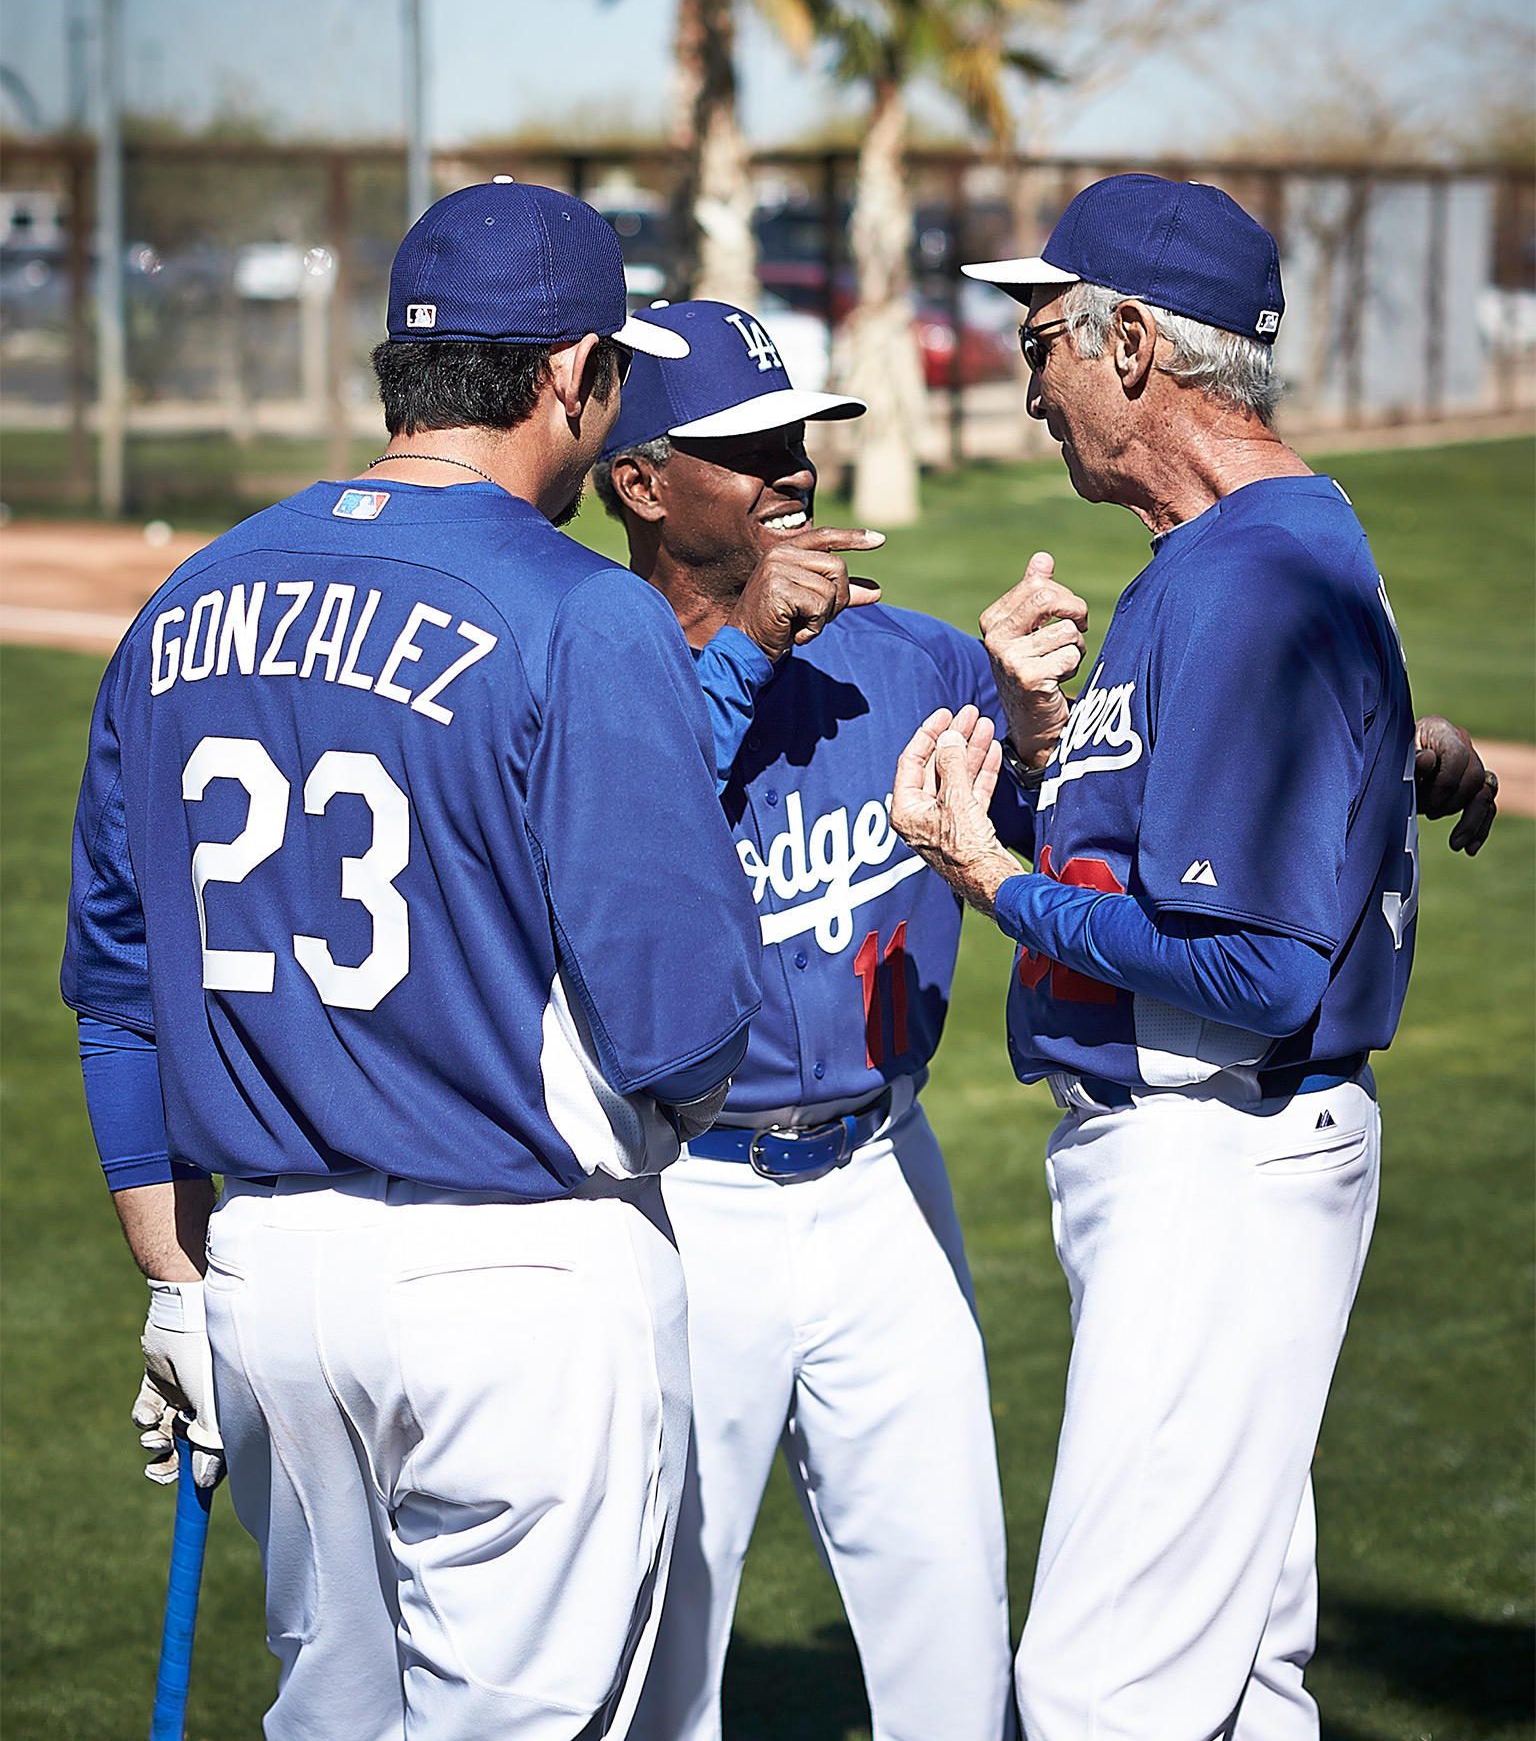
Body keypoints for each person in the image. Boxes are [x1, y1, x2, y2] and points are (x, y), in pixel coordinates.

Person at [61, 181, 763, 1741]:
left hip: (263, 1279)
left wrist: (173, 1282)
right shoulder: (586, 613)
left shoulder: (187, 598)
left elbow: (117, 988)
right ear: (574, 374)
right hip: (520, 1273)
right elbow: (687, 1027)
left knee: (332, 1721)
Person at [890, 172, 1498, 1738]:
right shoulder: (1242, 551)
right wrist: (1031, 753)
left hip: (1218, 1154)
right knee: (1235, 1673)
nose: (1031, 388)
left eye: (1045, 344)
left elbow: (1250, 970)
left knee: (1102, 1689)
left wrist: (990, 877)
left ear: (1137, 345)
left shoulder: (1246, 574)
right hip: (1217, 1154)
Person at [590, 299, 1080, 1741]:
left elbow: (1041, 852)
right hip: (681, 1203)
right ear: (638, 481)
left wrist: (1031, 730)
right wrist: (746, 639)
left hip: (883, 1185)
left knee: (952, 1622)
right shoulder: (581, 668)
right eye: (745, 448)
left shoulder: (916, 660)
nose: (791, 467)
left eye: (796, 435)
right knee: (660, 1651)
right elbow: (624, 837)